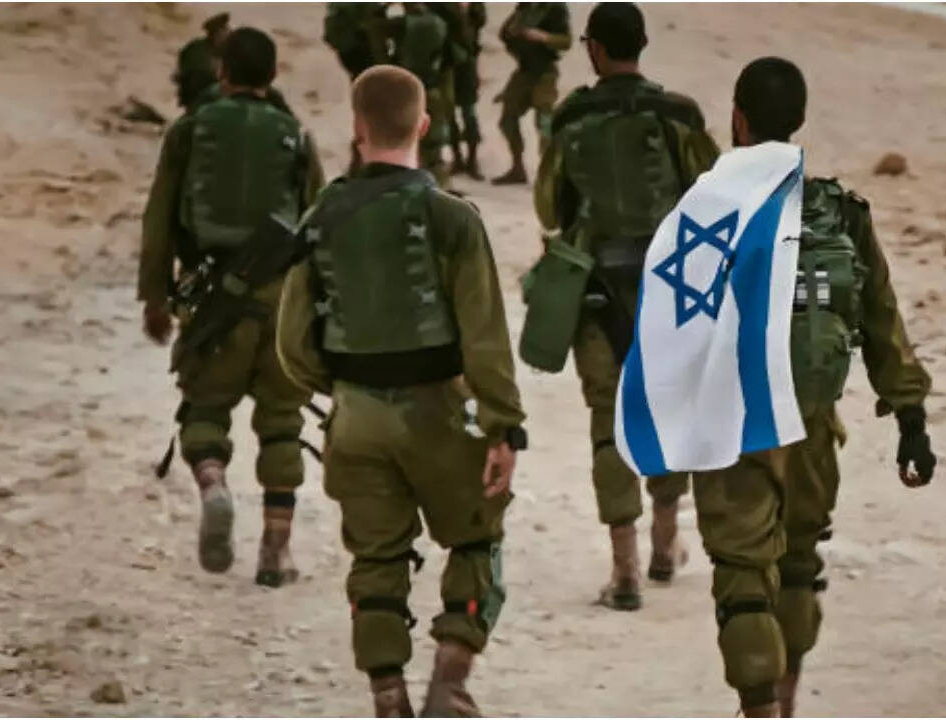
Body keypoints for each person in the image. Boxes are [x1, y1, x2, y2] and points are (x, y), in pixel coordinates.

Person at [276, 65, 526, 717]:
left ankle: (389, 697)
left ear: (357, 127)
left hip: (355, 416)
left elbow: (292, 344)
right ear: (424, 125)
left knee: (376, 558)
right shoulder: (452, 218)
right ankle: (450, 683)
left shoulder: (320, 218)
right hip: (438, 412)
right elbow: (485, 337)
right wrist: (504, 427)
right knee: (476, 540)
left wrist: (344, 388)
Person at [729, 57, 937, 716]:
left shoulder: (706, 208)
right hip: (812, 426)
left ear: (737, 120)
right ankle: (786, 700)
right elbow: (883, 323)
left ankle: (758, 707)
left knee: (743, 576)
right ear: (799, 121)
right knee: (797, 568)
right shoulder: (842, 215)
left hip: (734, 430)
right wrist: (911, 422)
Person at [531, 2, 720, 612]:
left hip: (597, 290)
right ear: (642, 44)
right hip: (671, 290)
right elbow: (713, 196)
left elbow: (549, 208)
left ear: (593, 48)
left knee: (607, 422)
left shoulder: (572, 117)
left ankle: (625, 568)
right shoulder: (678, 115)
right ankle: (666, 541)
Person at [139, 27, 325, 588]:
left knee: (204, 411)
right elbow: (317, 222)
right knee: (283, 425)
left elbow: (159, 217)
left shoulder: (190, 130)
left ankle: (214, 483)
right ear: (273, 76)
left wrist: (155, 297)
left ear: (222, 73)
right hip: (280, 300)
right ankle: (275, 552)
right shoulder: (295, 135)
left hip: (212, 297)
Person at [492, 2, 571, 185]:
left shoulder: (555, 8)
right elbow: (506, 33)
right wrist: (512, 33)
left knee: (544, 123)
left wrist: (543, 37)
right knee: (507, 120)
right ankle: (517, 168)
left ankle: (550, 176)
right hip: (525, 71)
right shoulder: (524, 7)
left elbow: (566, 42)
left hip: (545, 73)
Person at [388, 3, 452, 186]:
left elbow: (375, 28)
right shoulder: (439, 22)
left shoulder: (401, 24)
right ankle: (441, 184)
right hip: (432, 87)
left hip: (408, 89)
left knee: (407, 139)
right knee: (434, 142)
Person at [323, 2, 390, 173]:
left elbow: (330, 36)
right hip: (367, 59)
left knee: (366, 112)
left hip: (356, 60)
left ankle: (360, 163)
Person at [439, 3, 487, 179]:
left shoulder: (473, 6)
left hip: (466, 63)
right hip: (446, 65)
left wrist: (464, 11)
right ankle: (458, 158)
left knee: (469, 114)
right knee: (449, 114)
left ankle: (472, 160)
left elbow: (480, 20)